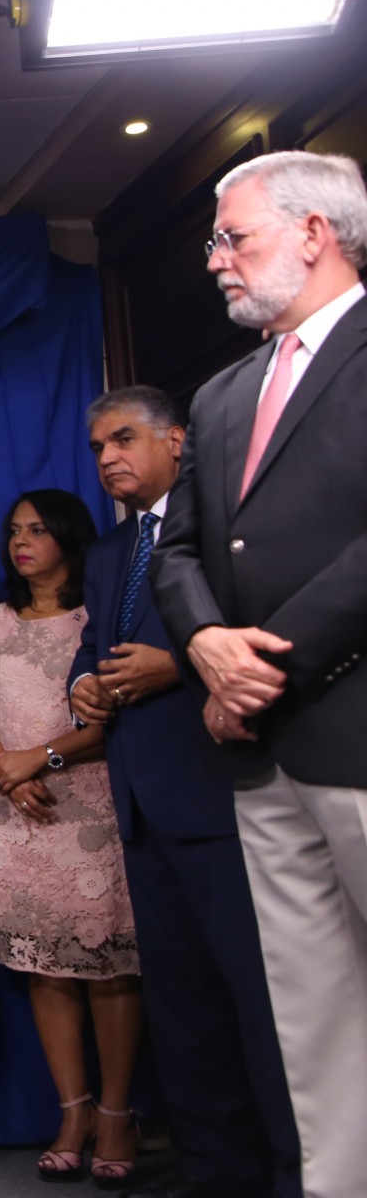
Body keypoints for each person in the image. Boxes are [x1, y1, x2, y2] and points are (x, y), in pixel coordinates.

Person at [151, 149, 367, 1198]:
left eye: (234, 238)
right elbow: (178, 550)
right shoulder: (224, 390)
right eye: (214, 242)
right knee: (311, 1015)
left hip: (351, 724)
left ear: (315, 232)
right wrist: (204, 644)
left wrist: (265, 662)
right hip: (259, 755)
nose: (215, 260)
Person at [71, 389, 299, 1198]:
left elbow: (278, 632)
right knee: (182, 1004)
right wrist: (83, 687)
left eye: (123, 439)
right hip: (141, 802)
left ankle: (291, 1171)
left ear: (176, 441)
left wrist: (181, 664)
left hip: (225, 793)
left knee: (261, 1000)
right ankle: (215, 1168)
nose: (108, 458)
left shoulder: (233, 524)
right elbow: (94, 648)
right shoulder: (110, 551)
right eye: (98, 447)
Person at [0, 489, 141, 1187]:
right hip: (20, 812)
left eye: (36, 530)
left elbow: (112, 717)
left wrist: (42, 759)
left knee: (108, 969)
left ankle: (118, 1115)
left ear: (69, 536)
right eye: (13, 531)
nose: (21, 542)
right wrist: (7, 772)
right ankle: (73, 1113)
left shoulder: (102, 614)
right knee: (46, 968)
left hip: (91, 809)